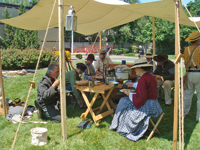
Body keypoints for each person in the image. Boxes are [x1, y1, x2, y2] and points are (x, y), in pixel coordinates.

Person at [109, 59, 163, 141]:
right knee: (123, 100)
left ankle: (121, 126)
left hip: (148, 106)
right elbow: (145, 88)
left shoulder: (143, 79)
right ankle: (117, 123)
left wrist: (129, 94)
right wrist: (133, 84)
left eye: (136, 68)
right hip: (154, 104)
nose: (135, 70)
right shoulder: (149, 76)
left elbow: (141, 99)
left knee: (124, 103)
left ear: (140, 68)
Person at [183, 31, 200, 122]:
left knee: (187, 95)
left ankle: (185, 113)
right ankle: (199, 117)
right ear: (198, 40)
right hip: (198, 73)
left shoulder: (186, 49)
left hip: (189, 73)